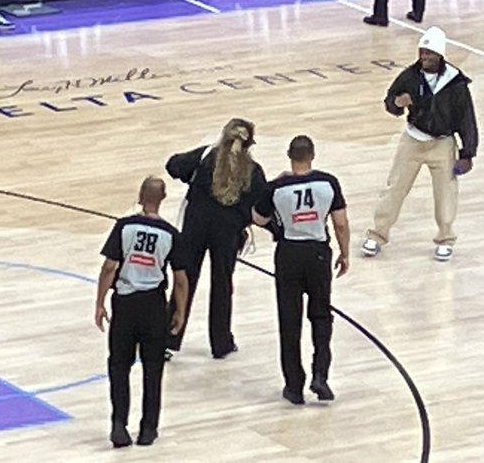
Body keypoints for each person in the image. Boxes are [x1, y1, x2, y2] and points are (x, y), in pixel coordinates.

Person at [362, 26, 479, 262]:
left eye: (429, 53)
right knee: (395, 188)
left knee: (446, 193)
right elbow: (390, 100)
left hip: (443, 144)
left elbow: (466, 119)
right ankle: (377, 235)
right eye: (422, 52)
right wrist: (397, 104)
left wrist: (467, 153)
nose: (424, 57)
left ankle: (446, 239)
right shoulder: (410, 76)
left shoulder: (455, 82)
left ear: (440, 55)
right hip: (413, 141)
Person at [252, 135, 350, 405]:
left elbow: (257, 218)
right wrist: (345, 253)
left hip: (289, 254)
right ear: (313, 155)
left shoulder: (277, 188)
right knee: (321, 316)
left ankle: (294, 386)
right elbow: (340, 223)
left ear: (289, 156)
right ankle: (320, 375)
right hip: (318, 254)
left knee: (289, 320)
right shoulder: (328, 183)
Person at [94, 177, 189, 449]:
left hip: (125, 305)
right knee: (153, 368)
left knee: (119, 365)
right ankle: (148, 429)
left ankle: (119, 425)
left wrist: (100, 302)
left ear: (140, 195)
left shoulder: (124, 226)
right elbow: (180, 280)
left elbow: (109, 267)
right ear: (163, 198)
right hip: (154, 307)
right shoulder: (170, 234)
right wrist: (180, 312)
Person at [164, 119, 268, 360]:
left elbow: (173, 166)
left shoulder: (205, 157)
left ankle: (169, 339)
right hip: (228, 232)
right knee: (222, 285)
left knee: (185, 281)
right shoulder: (253, 171)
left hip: (195, 227)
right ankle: (221, 344)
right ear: (249, 144)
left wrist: (192, 178)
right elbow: (261, 203)